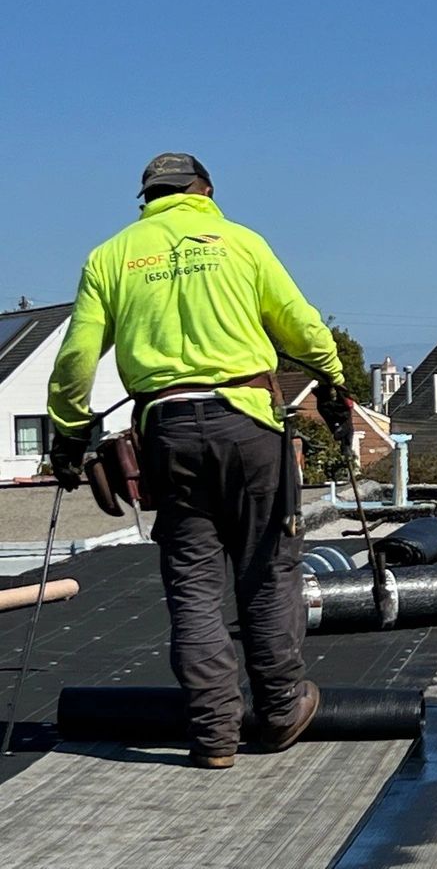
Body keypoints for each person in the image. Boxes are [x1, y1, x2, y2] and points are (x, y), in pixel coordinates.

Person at [46, 152, 352, 769]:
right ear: (205, 190)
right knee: (267, 571)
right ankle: (280, 710)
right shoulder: (240, 242)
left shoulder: (111, 256)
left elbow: (78, 357)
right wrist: (333, 382)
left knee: (193, 586)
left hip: (167, 432)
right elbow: (300, 325)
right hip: (247, 426)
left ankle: (213, 734)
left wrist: (69, 433)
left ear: (147, 198)